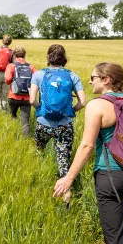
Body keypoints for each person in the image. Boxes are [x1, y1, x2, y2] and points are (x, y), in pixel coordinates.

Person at [53, 62, 123, 244]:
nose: (89, 81)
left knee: (117, 237)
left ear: (106, 80)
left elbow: (87, 146)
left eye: (93, 77)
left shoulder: (97, 105)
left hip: (112, 177)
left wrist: (68, 178)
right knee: (115, 223)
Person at [30, 44, 86, 201]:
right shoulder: (72, 76)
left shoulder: (39, 75)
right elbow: (83, 102)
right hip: (65, 125)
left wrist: (40, 110)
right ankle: (66, 196)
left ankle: (37, 179)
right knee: (64, 163)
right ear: (64, 59)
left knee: (38, 150)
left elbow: (32, 100)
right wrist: (71, 111)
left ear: (48, 57)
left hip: (43, 123)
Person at [5, 45, 37, 137]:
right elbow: (38, 79)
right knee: (25, 121)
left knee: (12, 116)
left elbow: (7, 80)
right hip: (27, 98)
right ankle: (26, 140)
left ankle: (12, 135)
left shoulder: (11, 66)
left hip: (13, 96)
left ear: (14, 55)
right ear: (24, 55)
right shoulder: (30, 67)